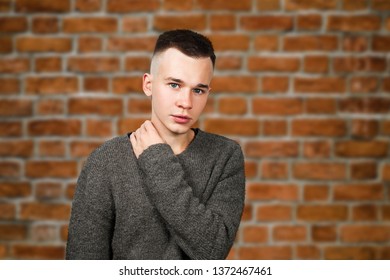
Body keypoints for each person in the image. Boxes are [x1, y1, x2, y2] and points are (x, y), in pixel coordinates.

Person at [66, 29, 245, 260]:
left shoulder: (225, 157)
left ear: (208, 92)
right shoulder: (105, 161)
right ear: (148, 85)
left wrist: (155, 159)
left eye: (198, 90)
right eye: (174, 85)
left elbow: (212, 250)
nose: (186, 103)